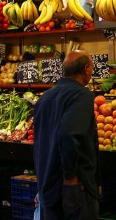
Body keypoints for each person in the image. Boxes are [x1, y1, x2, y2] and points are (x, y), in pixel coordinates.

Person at [33, 50, 100, 220]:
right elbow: (68, 134)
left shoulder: (44, 98)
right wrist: (70, 175)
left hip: (47, 183)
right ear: (86, 69)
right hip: (71, 187)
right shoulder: (82, 95)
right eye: (92, 67)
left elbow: (40, 140)